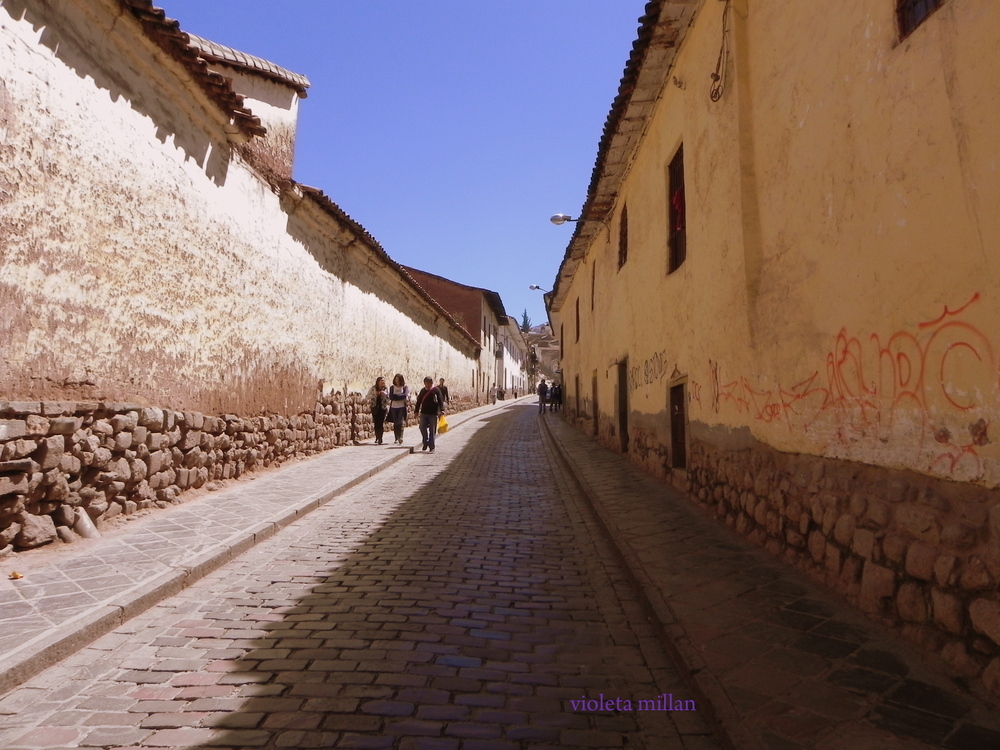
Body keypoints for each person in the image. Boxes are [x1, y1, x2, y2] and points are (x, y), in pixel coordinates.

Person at [415, 376, 445, 453]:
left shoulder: (436, 390)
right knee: (422, 427)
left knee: (432, 430)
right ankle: (425, 442)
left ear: (431, 383)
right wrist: (416, 411)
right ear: (424, 383)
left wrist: (442, 410)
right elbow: (418, 401)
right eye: (426, 383)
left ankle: (431, 446)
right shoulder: (422, 391)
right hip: (424, 412)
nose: (428, 385)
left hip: (433, 413)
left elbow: (440, 400)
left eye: (429, 383)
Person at [367, 376, 390, 444]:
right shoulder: (373, 388)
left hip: (383, 408)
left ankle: (380, 438)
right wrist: (375, 394)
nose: (383, 382)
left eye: (383, 380)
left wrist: (384, 395)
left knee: (381, 422)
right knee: (376, 422)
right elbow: (368, 396)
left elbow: (389, 398)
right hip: (375, 407)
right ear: (378, 382)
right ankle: (377, 436)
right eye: (381, 380)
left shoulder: (386, 389)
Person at [388, 373, 409, 444]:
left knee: (400, 422)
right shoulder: (392, 388)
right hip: (394, 407)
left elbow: (405, 395)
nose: (397, 381)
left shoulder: (404, 387)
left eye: (398, 380)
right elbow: (391, 397)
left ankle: (401, 437)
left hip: (401, 407)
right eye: (396, 379)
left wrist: (396, 396)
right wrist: (400, 396)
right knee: (396, 423)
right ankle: (396, 438)